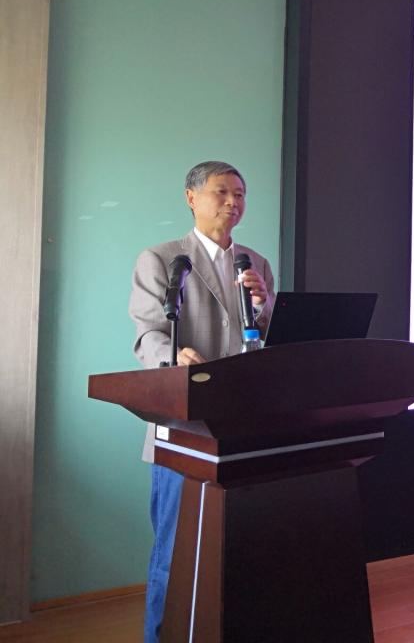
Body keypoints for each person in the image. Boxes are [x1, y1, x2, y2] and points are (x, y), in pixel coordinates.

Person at [128, 161, 275, 643]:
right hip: (184, 426)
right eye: (221, 192)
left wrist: (264, 305)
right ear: (191, 198)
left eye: (240, 193)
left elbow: (265, 337)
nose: (233, 202)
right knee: (175, 552)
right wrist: (174, 356)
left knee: (237, 550)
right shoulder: (162, 258)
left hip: (241, 424)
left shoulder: (255, 262)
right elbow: (148, 333)